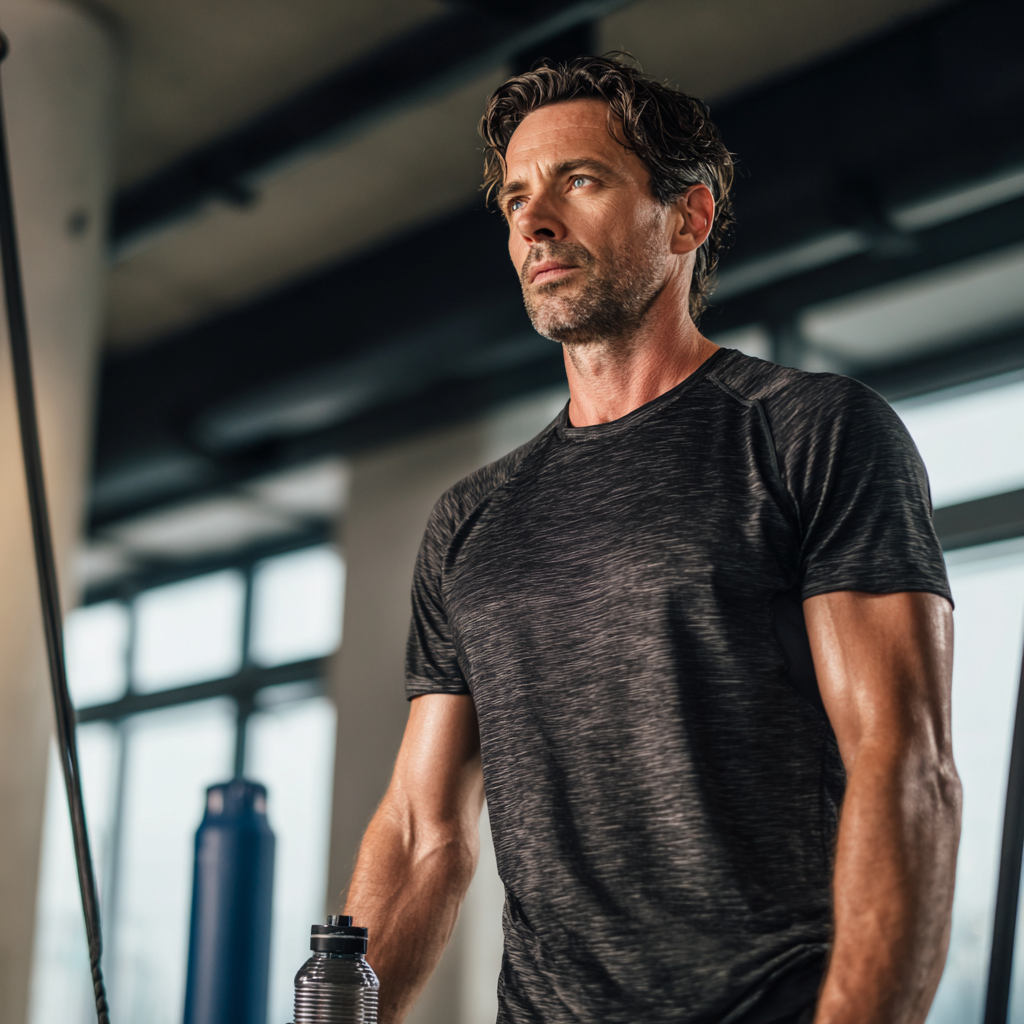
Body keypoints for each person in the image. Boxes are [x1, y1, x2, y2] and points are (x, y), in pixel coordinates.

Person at [342, 56, 961, 1024]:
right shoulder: (471, 520)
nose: (533, 222)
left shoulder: (810, 432)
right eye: (515, 198)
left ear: (688, 217)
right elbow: (425, 831)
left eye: (577, 181)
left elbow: (903, 760)